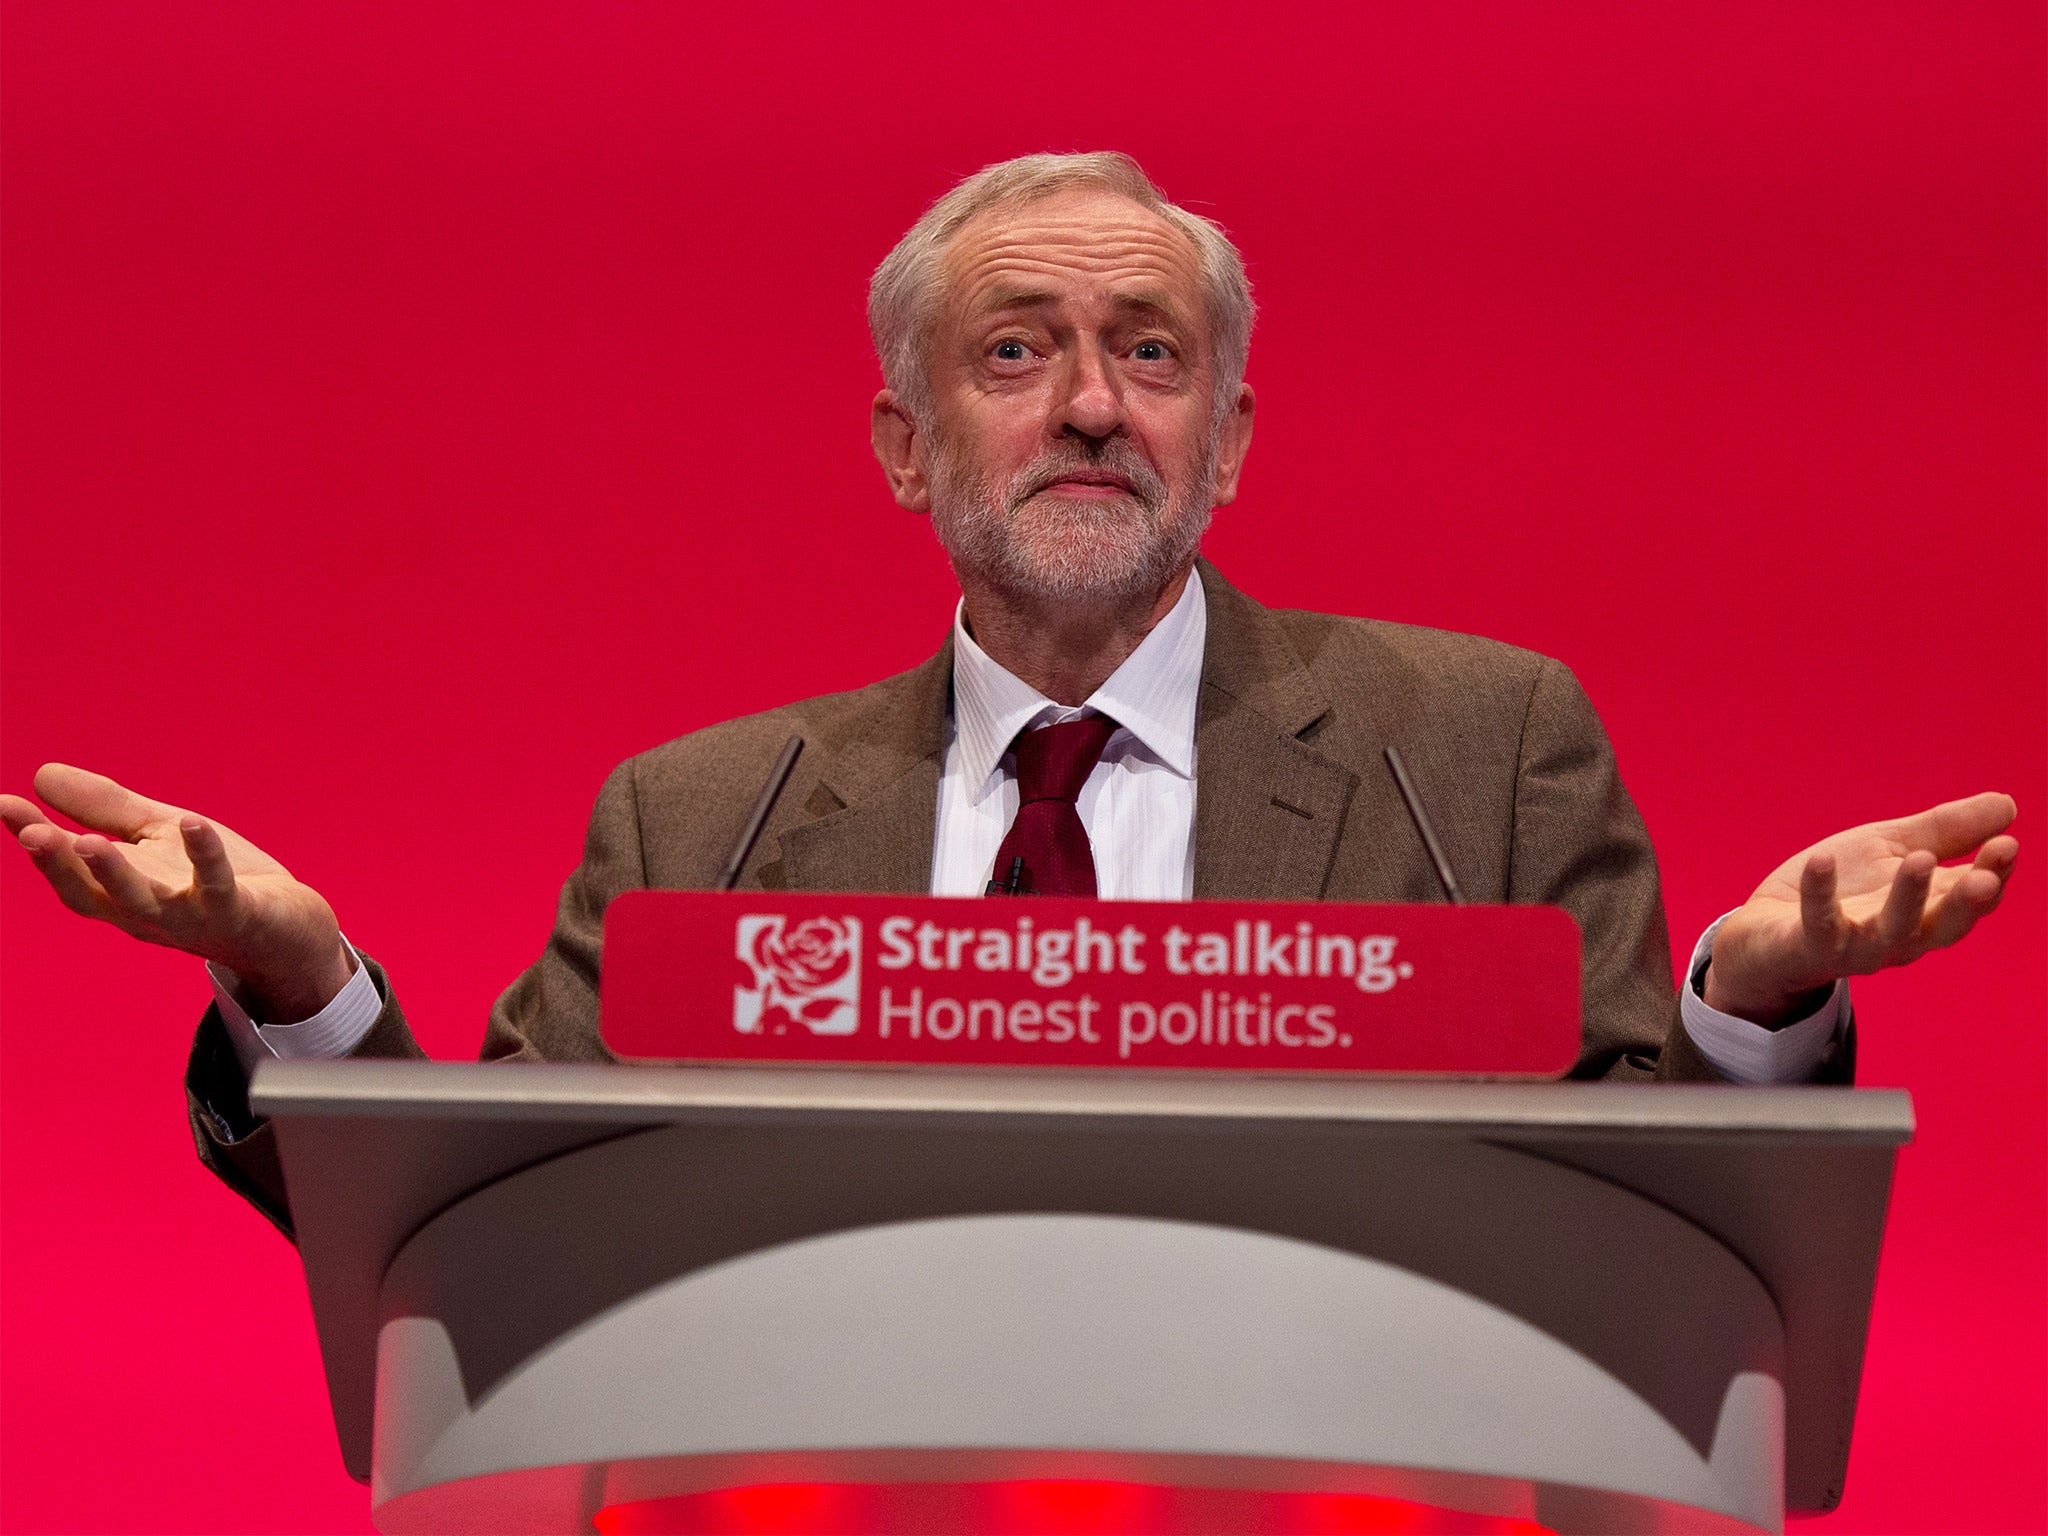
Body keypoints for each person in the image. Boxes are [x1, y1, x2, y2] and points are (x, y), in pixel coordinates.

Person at [0, 153, 2019, 1236]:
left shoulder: (1470, 750)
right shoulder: (703, 815)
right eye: (1017, 353)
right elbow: (487, 1221)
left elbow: (1645, 1214)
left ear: (1227, 440)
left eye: (1150, 354)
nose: (1087, 405)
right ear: (900, 444)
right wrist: (304, 984)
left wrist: (1751, 1012)